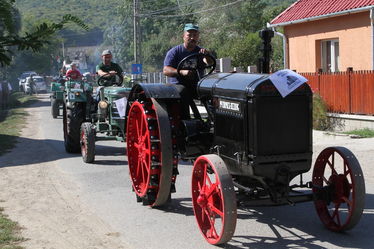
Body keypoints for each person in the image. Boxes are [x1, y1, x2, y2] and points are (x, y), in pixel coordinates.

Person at [163, 23, 213, 119]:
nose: (192, 38)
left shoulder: (201, 51)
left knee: (210, 91)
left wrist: (207, 55)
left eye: (195, 35)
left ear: (198, 37)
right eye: (189, 35)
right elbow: (166, 70)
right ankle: (185, 121)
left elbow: (209, 63)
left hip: (196, 84)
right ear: (183, 36)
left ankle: (213, 119)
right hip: (177, 85)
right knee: (183, 91)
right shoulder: (175, 52)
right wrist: (181, 72)